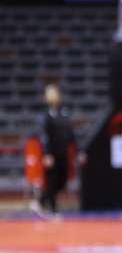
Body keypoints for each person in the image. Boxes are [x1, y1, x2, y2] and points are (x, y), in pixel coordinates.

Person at [33, 83, 81, 215]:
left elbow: (71, 133)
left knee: (63, 180)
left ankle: (41, 201)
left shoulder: (63, 113)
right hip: (51, 153)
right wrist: (46, 153)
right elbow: (43, 135)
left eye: (55, 93)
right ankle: (53, 209)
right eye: (50, 94)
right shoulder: (45, 115)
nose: (53, 96)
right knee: (52, 180)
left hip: (63, 152)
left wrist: (79, 151)